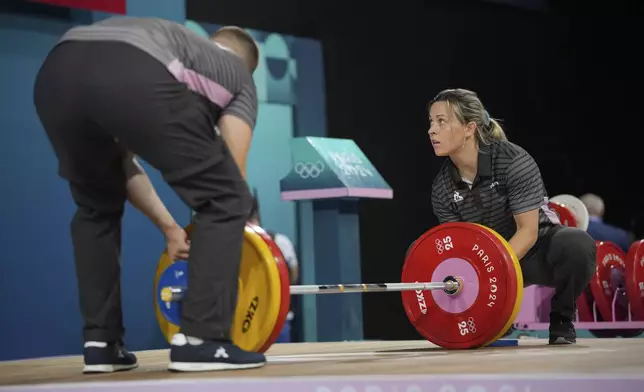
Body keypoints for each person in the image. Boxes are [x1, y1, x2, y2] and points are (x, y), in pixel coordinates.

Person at [33, 17, 265, 373]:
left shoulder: (179, 46)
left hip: (56, 71)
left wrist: (171, 229)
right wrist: (239, 225)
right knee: (229, 198)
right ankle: (203, 342)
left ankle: (101, 345)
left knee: (96, 205)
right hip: (131, 65)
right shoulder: (239, 75)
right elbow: (231, 178)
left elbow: (123, 167)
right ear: (248, 64)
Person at [427, 88, 597, 345]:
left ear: (469, 128)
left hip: (536, 252)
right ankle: (495, 321)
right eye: (431, 122)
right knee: (422, 255)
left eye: (442, 121)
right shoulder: (442, 188)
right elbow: (457, 247)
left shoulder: (513, 161)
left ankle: (562, 318)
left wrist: (484, 270)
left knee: (578, 245)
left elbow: (527, 232)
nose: (431, 130)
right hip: (484, 263)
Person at [247, 195, 299, 342]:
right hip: (250, 317)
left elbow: (294, 273)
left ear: (257, 220)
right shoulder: (238, 245)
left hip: (279, 315)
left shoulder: (280, 241)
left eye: (251, 220)